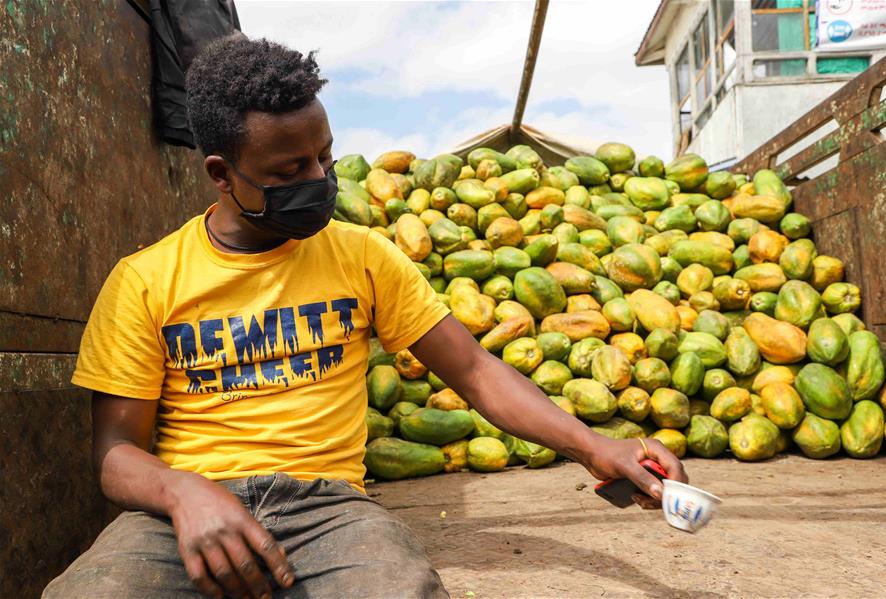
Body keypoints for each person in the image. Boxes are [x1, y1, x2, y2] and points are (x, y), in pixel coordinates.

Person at [44, 35, 687, 599]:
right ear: (221, 173)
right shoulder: (144, 280)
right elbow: (116, 454)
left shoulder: (363, 257)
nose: (321, 177)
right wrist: (182, 494)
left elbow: (476, 373)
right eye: (291, 169)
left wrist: (596, 448)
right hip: (180, 510)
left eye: (325, 155)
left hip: (328, 509)